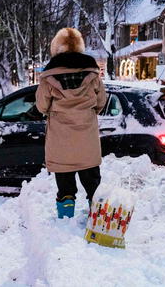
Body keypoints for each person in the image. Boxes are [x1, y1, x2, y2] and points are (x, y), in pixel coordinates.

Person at [36, 28, 107, 219]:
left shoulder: (49, 76)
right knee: (93, 185)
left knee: (65, 187)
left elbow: (42, 106)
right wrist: (87, 114)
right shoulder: (92, 74)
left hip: (61, 140)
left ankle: (66, 223)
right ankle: (99, 221)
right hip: (87, 139)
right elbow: (101, 102)